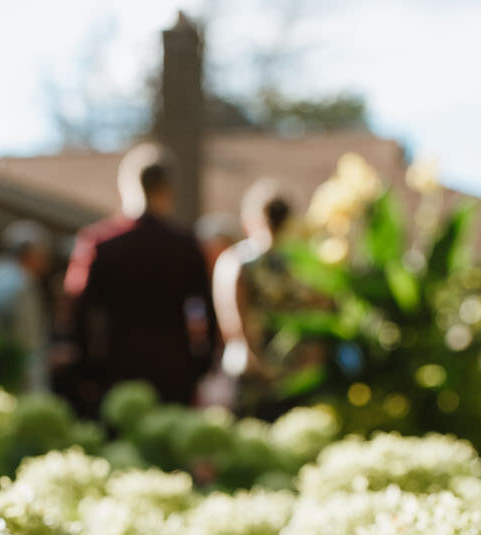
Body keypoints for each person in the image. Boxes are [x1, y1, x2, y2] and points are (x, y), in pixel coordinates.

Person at [64, 143, 217, 412]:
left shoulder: (99, 244)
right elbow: (208, 307)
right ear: (168, 189)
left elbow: (78, 309)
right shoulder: (185, 245)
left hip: (117, 368)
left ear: (124, 186)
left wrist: (86, 366)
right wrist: (201, 362)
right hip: (175, 368)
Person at [213, 177, 313, 415]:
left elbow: (231, 320)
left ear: (251, 218)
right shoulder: (299, 263)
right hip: (292, 371)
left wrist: (256, 362)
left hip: (250, 371)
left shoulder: (238, 260)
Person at [0, 220, 53, 394]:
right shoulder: (22, 284)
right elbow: (28, 343)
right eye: (42, 255)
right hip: (16, 380)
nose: (45, 262)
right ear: (29, 254)